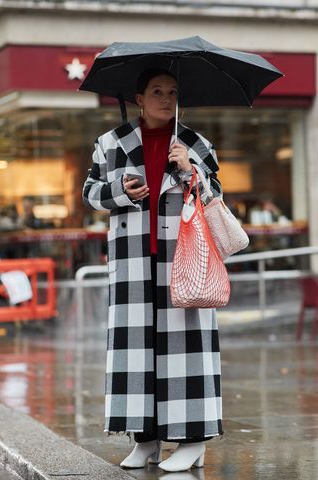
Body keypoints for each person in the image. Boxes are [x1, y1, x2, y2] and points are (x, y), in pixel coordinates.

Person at [82, 68, 223, 472]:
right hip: (131, 266)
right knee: (136, 354)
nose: (166, 99)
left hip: (185, 262)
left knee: (186, 352)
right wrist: (118, 193)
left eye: (173, 92)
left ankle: (193, 440)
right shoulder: (110, 144)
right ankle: (145, 440)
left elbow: (216, 197)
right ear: (139, 98)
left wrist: (189, 170)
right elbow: (90, 193)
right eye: (157, 92)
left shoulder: (194, 143)